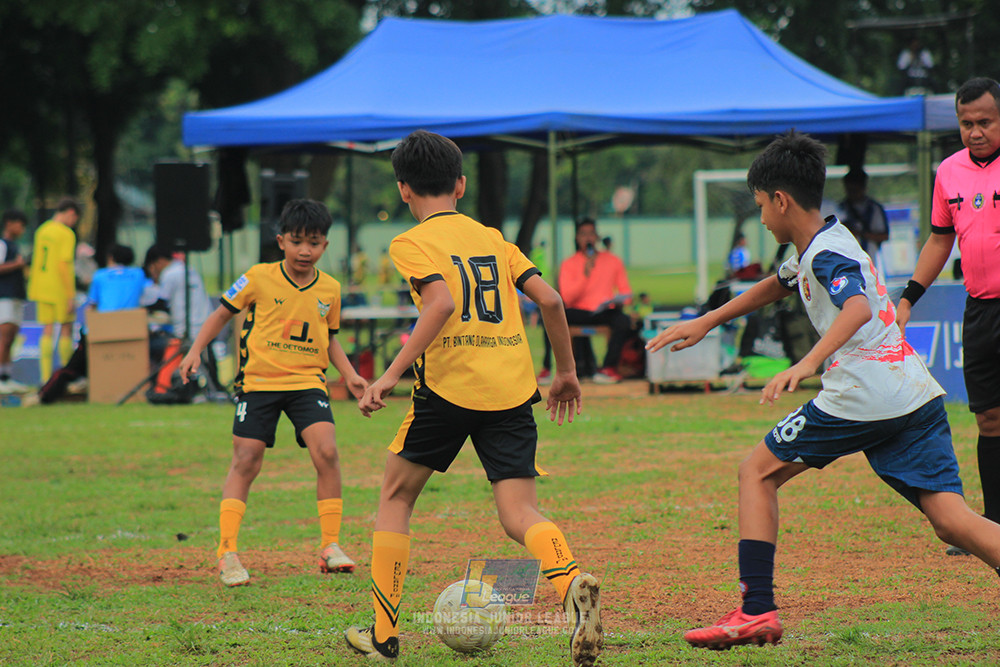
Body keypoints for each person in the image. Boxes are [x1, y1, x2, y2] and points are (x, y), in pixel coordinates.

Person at [647, 130, 1000, 650]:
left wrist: (808, 361)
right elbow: (778, 283)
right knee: (951, 520)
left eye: (761, 205)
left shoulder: (824, 255)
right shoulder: (823, 241)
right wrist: (708, 319)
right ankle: (755, 609)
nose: (762, 216)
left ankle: (755, 609)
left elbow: (855, 307)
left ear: (781, 200)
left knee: (756, 472)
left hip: (864, 393)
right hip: (914, 392)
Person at [344, 131, 602, 667]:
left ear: (403, 190)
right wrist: (567, 373)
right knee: (519, 512)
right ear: (460, 185)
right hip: (511, 388)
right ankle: (572, 580)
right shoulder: (492, 238)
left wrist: (388, 376)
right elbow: (551, 299)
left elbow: (438, 304)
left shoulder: (410, 242)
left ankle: (384, 636)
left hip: (447, 389)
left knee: (395, 498)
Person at [178, 199, 367, 588]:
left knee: (327, 451)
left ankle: (330, 546)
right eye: (297, 241)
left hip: (306, 383)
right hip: (259, 384)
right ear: (281, 241)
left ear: (325, 247)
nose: (304, 251)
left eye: (313, 243)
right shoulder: (256, 277)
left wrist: (350, 375)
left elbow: (329, 338)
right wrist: (195, 350)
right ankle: (227, 552)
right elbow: (220, 314)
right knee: (246, 459)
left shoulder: (330, 289)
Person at [897, 77, 1000, 557]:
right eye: (966, 123)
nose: (975, 131)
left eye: (985, 121)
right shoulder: (949, 172)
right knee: (989, 419)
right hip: (979, 309)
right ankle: (993, 526)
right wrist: (909, 296)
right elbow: (940, 239)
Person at [29, 243, 150, 405]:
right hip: (129, 329)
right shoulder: (139, 274)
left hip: (101, 329)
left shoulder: (100, 275)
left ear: (111, 258)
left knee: (70, 369)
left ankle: (43, 396)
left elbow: (91, 306)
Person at [538, 217, 632, 384]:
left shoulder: (612, 261)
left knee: (622, 320)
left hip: (603, 310)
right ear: (577, 238)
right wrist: (585, 275)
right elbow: (567, 297)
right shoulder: (569, 263)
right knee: (551, 316)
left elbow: (626, 291)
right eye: (583, 234)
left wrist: (619, 301)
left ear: (597, 237)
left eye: (591, 234)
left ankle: (609, 368)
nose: (587, 238)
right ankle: (548, 368)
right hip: (579, 311)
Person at [27, 197, 80, 384]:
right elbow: (63, 265)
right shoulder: (66, 233)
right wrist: (70, 295)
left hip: (41, 286)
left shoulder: (42, 230)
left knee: (47, 329)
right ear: (71, 213)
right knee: (66, 328)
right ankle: (65, 377)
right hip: (59, 288)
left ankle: (45, 377)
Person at [0, 209, 28, 393]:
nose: (22, 229)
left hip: (16, 296)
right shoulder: (2, 244)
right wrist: (17, 265)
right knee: (3, 337)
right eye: (20, 224)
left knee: (10, 338)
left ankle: (6, 377)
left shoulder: (14, 245)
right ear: (9, 223)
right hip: (4, 297)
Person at [835, 168, 888, 259]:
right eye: (849, 189)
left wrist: (860, 233)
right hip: (847, 258)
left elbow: (884, 236)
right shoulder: (840, 208)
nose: (853, 194)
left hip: (869, 257)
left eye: (855, 190)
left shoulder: (874, 209)